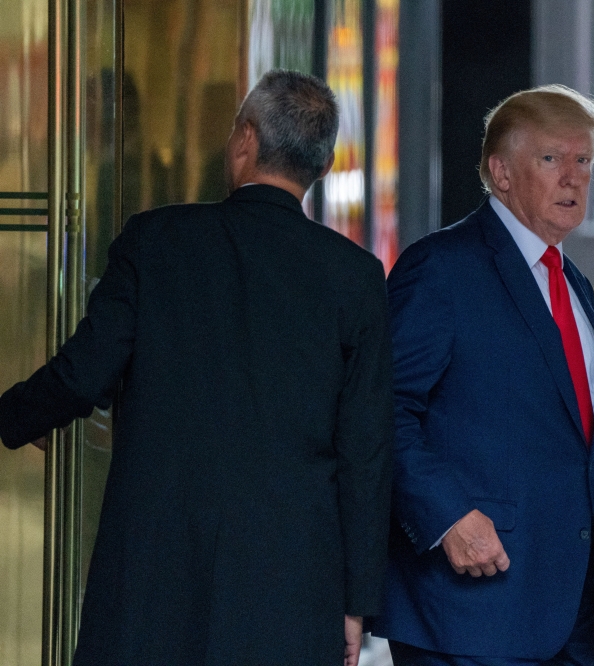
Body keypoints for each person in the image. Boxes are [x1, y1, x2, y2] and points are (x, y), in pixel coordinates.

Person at [0, 70, 394, 665]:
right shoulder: (355, 277)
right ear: (323, 163)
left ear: (244, 140)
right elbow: (365, 451)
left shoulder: (154, 243)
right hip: (291, 584)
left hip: (153, 571)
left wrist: (11, 417)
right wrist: (357, 602)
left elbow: (82, 376)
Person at [371, 84, 594, 665]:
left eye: (583, 161)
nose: (573, 177)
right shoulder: (440, 269)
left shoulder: (574, 284)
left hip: (567, 613)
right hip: (469, 610)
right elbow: (381, 408)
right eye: (552, 159)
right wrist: (446, 514)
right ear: (500, 172)